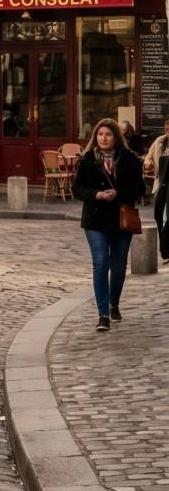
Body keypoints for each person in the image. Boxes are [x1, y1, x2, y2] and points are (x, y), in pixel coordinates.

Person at [72, 118, 144, 333]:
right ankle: (103, 314)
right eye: (100, 134)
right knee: (101, 263)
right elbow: (77, 189)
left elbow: (140, 189)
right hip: (95, 219)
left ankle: (114, 303)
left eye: (108, 134)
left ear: (116, 137)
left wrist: (118, 193)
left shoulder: (129, 159)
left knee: (119, 266)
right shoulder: (87, 160)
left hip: (121, 219)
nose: (103, 138)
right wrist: (96, 194)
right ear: (95, 136)